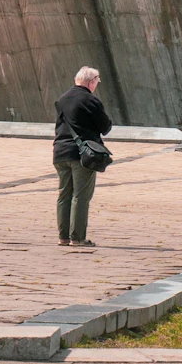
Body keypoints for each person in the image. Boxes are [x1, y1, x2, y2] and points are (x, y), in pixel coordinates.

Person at [53, 65, 112, 247]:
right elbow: (105, 127)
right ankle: (77, 238)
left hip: (61, 152)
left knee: (64, 195)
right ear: (91, 81)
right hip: (82, 154)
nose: (96, 85)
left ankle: (63, 237)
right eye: (96, 82)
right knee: (81, 196)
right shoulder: (90, 100)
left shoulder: (62, 99)